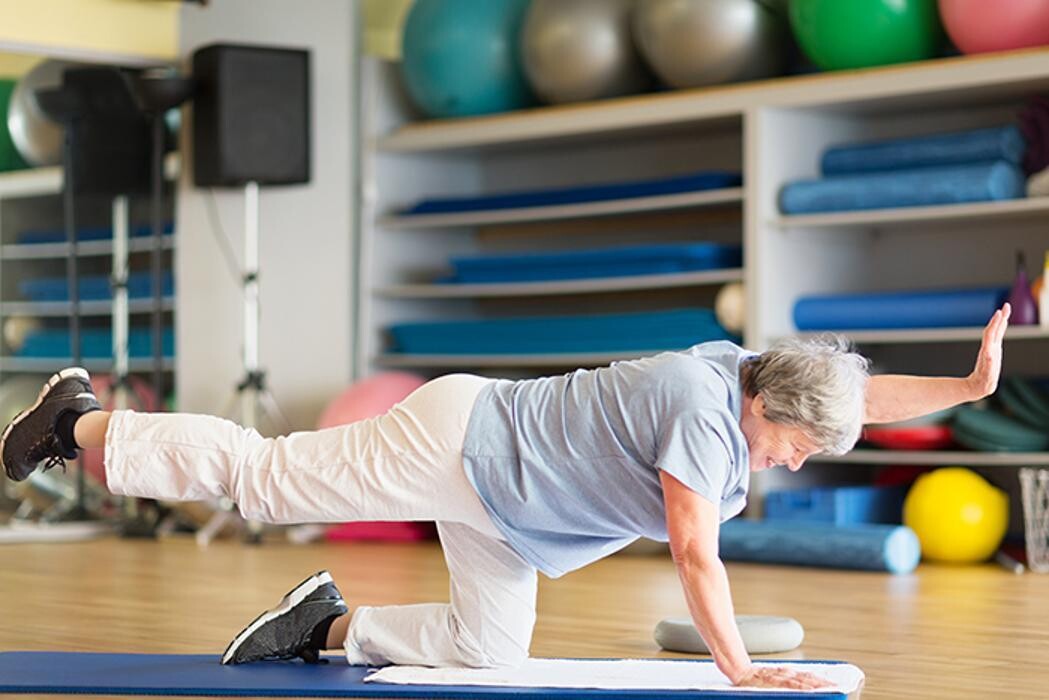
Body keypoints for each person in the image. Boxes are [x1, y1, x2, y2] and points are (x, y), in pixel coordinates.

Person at [0, 304, 1010, 691]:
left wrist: (963, 388)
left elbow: (849, 395)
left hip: (513, 507)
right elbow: (696, 555)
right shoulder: (703, 422)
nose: (794, 461)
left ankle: (327, 622)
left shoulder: (756, 374)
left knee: (490, 653)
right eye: (796, 447)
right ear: (765, 411)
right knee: (266, 477)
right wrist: (738, 672)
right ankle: (81, 419)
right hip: (460, 446)